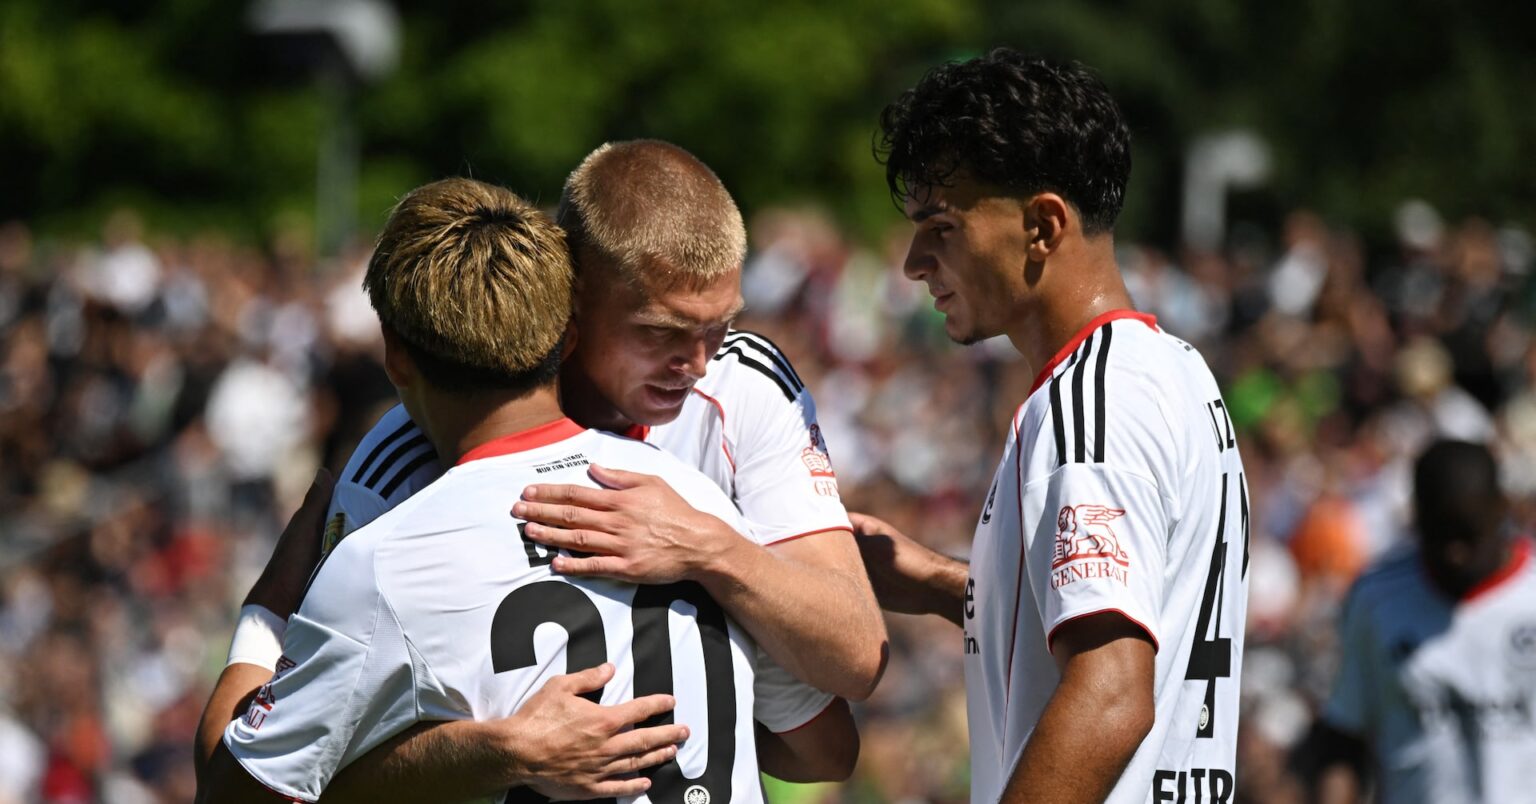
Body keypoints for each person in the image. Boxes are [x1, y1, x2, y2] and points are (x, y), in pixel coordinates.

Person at [205, 141, 882, 799]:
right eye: (660, 331)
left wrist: (708, 550)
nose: (699, 362)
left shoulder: (738, 404)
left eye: (717, 328)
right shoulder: (401, 469)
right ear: (570, 304)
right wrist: (507, 749)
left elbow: (852, 667)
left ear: (398, 356)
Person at [851, 49, 1252, 803]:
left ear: (1042, 225)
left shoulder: (1090, 406)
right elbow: (1135, 621)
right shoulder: (1174, 370)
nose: (913, 262)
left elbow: (1110, 695)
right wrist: (952, 587)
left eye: (940, 226)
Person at [1299, 440, 1536, 804]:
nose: (1455, 554)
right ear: (1416, 518)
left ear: (1501, 509)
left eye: (1468, 535)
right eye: (1440, 536)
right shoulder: (1376, 600)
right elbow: (1344, 739)